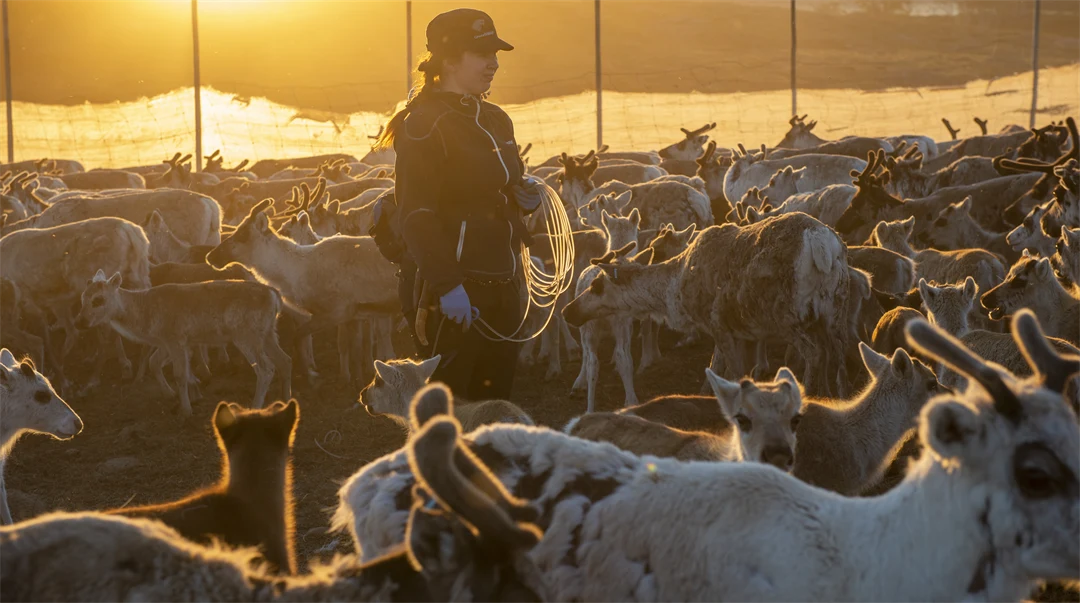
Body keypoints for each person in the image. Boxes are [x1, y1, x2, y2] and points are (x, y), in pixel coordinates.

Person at [372, 8, 537, 401]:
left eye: (496, 53)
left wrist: (522, 198)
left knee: (494, 406)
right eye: (482, 53)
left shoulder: (496, 119)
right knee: (451, 409)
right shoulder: (424, 124)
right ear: (447, 61)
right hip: (452, 294)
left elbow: (496, 189)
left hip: (503, 283)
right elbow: (416, 214)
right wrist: (448, 288)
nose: (493, 63)